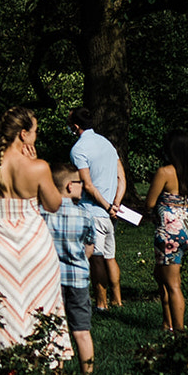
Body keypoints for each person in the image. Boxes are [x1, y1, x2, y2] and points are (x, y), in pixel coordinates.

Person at [0, 106, 72, 359]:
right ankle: (44, 371)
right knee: (42, 307)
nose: (36, 135)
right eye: (35, 131)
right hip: (35, 246)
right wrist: (37, 163)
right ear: (24, 134)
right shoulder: (38, 168)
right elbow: (53, 204)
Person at [68, 107, 128, 309]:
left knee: (97, 259)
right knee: (111, 257)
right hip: (111, 214)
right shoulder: (107, 143)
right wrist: (116, 204)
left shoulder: (78, 150)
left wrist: (107, 206)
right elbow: (121, 177)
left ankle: (101, 304)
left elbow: (88, 185)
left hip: (93, 212)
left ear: (76, 126)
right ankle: (117, 299)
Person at [45, 164, 98, 375]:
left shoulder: (42, 212)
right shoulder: (85, 215)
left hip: (50, 280)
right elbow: (89, 246)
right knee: (82, 332)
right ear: (69, 186)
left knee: (54, 331)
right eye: (79, 183)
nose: (82, 187)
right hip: (77, 279)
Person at [144, 130, 188, 331]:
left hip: (168, 231)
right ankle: (167, 323)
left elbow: (150, 202)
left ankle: (179, 331)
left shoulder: (164, 172)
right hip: (186, 229)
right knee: (160, 275)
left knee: (173, 284)